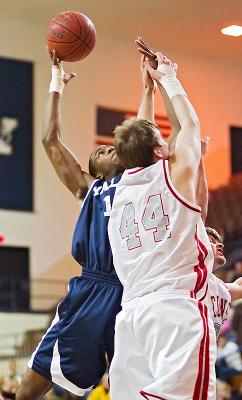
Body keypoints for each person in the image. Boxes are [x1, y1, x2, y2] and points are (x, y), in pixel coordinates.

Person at [16, 48, 159, 400]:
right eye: (100, 152)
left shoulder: (135, 181)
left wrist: (148, 90)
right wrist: (56, 84)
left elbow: (141, 134)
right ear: (92, 168)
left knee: (138, 384)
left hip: (134, 289)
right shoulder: (88, 188)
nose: (108, 149)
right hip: (92, 289)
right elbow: (49, 141)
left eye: (113, 147)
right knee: (34, 382)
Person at [108, 47, 216, 399]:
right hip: (173, 311)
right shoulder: (174, 177)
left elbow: (139, 142)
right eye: (161, 141)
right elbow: (189, 125)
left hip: (131, 319)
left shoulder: (122, 191)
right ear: (159, 152)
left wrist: (147, 92)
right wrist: (168, 76)